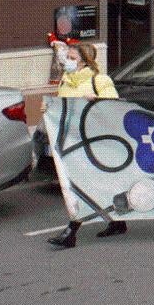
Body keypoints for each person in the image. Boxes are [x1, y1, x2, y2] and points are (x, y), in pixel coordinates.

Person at [46, 43, 124, 248]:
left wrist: (96, 100)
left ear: (84, 60)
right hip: (71, 139)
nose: (68, 61)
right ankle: (118, 222)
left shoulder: (100, 80)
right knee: (97, 182)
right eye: (68, 57)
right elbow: (62, 107)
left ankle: (71, 232)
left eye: (72, 57)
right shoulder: (66, 81)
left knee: (82, 184)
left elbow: (114, 108)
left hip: (94, 140)